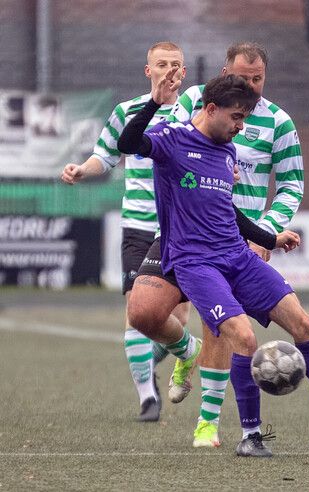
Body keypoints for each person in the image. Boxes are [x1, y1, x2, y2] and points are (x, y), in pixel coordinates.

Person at [119, 72, 309, 458]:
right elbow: (128, 143)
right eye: (236, 118)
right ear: (211, 109)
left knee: (304, 324)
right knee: (243, 338)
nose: (241, 127)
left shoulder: (227, 151)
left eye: (245, 118)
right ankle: (250, 436)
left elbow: (227, 210)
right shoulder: (172, 141)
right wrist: (155, 103)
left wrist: (269, 239)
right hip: (195, 263)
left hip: (237, 255)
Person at [60, 41, 188, 422]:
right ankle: (148, 397)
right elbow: (106, 154)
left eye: (176, 65)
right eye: (161, 64)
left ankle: (166, 354)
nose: (169, 70)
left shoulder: (196, 111)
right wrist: (83, 169)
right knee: (136, 313)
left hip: (180, 227)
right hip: (138, 223)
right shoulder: (127, 111)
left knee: (176, 319)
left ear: (184, 72)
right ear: (148, 70)